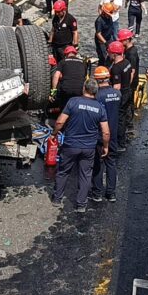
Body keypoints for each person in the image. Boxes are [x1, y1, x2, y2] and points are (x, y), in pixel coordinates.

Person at [51, 79, 110, 212]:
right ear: (96, 91)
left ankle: (57, 198)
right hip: (89, 147)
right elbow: (106, 132)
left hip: (71, 145)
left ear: (84, 88)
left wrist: (54, 134)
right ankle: (81, 204)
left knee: (63, 171)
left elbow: (60, 122)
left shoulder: (73, 102)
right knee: (85, 175)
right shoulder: (100, 108)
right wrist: (106, 146)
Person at [90, 66, 121, 203]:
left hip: (99, 133)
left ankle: (97, 193)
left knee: (98, 162)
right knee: (111, 163)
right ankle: (111, 193)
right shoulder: (117, 94)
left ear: (97, 80)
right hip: (113, 133)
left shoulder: (97, 96)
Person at [107, 40, 132, 152]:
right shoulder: (126, 62)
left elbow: (116, 86)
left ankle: (120, 144)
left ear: (114, 54)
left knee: (119, 119)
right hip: (128, 91)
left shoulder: (116, 68)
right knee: (123, 117)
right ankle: (123, 139)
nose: (109, 54)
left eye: (110, 52)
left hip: (121, 95)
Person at [51, 45, 87, 111]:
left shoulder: (63, 61)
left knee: (64, 107)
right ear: (75, 54)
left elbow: (56, 76)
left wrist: (53, 91)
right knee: (77, 107)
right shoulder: (83, 62)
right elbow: (85, 78)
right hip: (79, 90)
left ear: (66, 54)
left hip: (66, 89)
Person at [118, 28, 140, 138]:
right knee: (128, 103)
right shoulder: (129, 50)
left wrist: (127, 85)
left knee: (127, 104)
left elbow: (132, 71)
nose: (120, 42)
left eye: (121, 40)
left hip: (130, 84)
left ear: (127, 40)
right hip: (130, 83)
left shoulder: (131, 54)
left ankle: (129, 126)